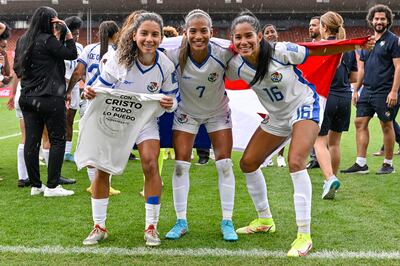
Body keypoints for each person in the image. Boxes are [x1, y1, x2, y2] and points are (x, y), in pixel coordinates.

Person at [226, 11, 372, 257]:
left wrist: (352, 44)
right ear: (232, 40)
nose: (244, 42)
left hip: (304, 105)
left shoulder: (280, 50)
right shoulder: (235, 64)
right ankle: (265, 220)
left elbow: (318, 51)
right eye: (238, 38)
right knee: (248, 163)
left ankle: (304, 234)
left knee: (296, 161)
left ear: (260, 36)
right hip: (277, 117)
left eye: (249, 36)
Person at [81, 12, 178, 247]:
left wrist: (169, 103)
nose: (149, 39)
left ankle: (151, 226)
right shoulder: (119, 59)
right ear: (134, 35)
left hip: (145, 122)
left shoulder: (165, 64)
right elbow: (99, 87)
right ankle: (99, 225)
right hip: (115, 119)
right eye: (144, 33)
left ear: (161, 38)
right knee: (102, 169)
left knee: (150, 163)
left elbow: (174, 98)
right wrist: (89, 92)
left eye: (155, 34)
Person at [163, 9, 238, 242]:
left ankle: (227, 221)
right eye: (193, 31)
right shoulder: (174, 56)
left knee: (225, 164)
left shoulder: (223, 54)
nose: (198, 36)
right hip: (186, 114)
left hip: (218, 113)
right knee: (180, 165)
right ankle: (181, 221)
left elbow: (251, 57)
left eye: (203, 31)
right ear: (185, 33)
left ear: (211, 32)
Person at [13, 6, 77, 197]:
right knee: (57, 140)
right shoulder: (48, 40)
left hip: (27, 97)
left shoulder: (23, 40)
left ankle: (35, 185)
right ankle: (52, 186)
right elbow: (71, 54)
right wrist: (67, 34)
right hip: (49, 97)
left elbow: (18, 69)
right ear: (50, 22)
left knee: (31, 142)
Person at [342, 4, 400, 175]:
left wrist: (394, 91)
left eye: (383, 19)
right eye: (376, 18)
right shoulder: (368, 42)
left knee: (386, 125)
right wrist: (356, 90)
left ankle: (388, 164)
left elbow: (398, 67)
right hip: (367, 90)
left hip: (386, 90)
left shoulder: (394, 40)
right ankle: (361, 164)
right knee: (360, 122)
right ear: (371, 20)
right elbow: (362, 70)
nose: (379, 21)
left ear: (388, 21)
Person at [66, 20, 121, 195]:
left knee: (91, 143)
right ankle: (106, 185)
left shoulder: (89, 49)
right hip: (109, 101)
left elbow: (78, 72)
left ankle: (93, 183)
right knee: (108, 144)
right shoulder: (119, 52)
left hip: (90, 99)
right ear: (115, 34)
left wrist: (68, 91)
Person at [313, 11, 358, 199]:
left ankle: (330, 178)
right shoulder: (348, 48)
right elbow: (354, 77)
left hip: (326, 97)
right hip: (344, 98)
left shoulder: (321, 46)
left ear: (324, 27)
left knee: (319, 141)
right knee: (335, 143)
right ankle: (331, 182)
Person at [262, 23, 286, 167]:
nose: (270, 34)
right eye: (267, 32)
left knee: (283, 126)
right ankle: (267, 156)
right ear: (262, 36)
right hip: (266, 94)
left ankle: (281, 157)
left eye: (272, 31)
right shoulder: (260, 53)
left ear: (277, 34)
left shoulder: (284, 50)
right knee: (267, 126)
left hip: (283, 93)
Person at [64, 16, 84, 163]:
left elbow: (80, 70)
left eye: (78, 33)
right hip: (60, 86)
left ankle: (67, 152)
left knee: (69, 119)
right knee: (57, 120)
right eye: (74, 33)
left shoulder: (80, 48)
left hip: (75, 87)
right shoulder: (58, 45)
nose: (76, 36)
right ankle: (45, 149)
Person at [306, 16, 322, 169]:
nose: (311, 28)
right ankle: (314, 158)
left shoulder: (327, 48)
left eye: (314, 25)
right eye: (310, 25)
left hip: (323, 92)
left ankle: (322, 156)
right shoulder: (307, 49)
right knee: (310, 126)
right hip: (310, 93)